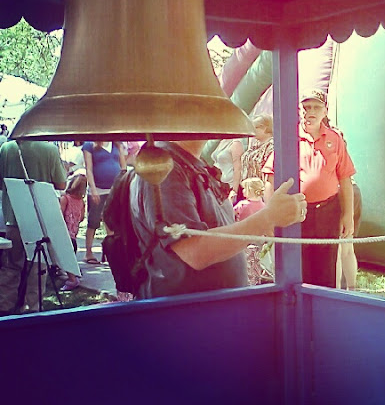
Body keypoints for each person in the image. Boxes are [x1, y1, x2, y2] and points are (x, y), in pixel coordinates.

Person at [129, 140, 306, 299]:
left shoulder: (190, 163)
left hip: (211, 310)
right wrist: (267, 218)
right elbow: (194, 252)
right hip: (186, 315)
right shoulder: (166, 168)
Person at [263, 89, 356, 288]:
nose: (310, 112)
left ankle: (324, 306)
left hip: (328, 212)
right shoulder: (289, 139)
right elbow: (270, 177)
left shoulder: (335, 139)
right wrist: (270, 215)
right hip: (297, 213)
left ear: (325, 111)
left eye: (316, 107)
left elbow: (345, 179)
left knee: (326, 271)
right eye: (306, 107)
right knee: (298, 270)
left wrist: (348, 215)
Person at [0, 139, 67, 314]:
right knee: (38, 267)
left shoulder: (7, 148)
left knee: (11, 265)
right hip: (40, 217)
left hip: (13, 216)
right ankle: (32, 308)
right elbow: (61, 184)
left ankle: (5, 307)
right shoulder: (50, 149)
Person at [82, 141, 126, 264]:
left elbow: (123, 167)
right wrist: (93, 189)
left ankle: (111, 252)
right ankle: (88, 252)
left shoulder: (117, 144)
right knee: (93, 221)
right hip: (98, 189)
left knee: (112, 222)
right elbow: (89, 169)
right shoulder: (89, 146)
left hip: (114, 188)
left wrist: (122, 185)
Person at [234, 177, 267, 285]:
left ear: (249, 190)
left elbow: (231, 212)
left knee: (246, 260)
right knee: (256, 259)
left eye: (244, 189)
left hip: (244, 236)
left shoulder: (242, 205)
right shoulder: (264, 206)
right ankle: (256, 280)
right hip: (259, 237)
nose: (243, 191)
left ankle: (248, 281)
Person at [59, 173, 87, 291]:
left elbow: (60, 214)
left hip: (64, 234)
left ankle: (72, 279)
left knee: (65, 257)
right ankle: (74, 272)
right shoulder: (81, 202)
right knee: (71, 255)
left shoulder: (65, 199)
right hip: (73, 234)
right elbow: (82, 218)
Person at [337, 180, 362, 290]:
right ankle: (351, 289)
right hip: (353, 190)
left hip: (340, 192)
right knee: (347, 248)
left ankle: (336, 291)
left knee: (337, 250)